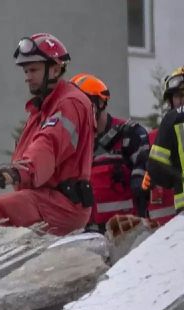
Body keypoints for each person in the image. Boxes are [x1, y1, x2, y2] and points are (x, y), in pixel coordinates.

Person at [0, 33, 95, 235]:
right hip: (46, 198)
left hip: (61, 205)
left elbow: (48, 145)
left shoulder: (69, 104)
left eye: (34, 69)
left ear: (55, 68)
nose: (28, 76)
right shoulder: (44, 108)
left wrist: (19, 172)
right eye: (26, 70)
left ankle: (10, 266)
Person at [69, 73, 151, 231]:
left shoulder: (130, 134)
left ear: (100, 102)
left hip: (128, 232)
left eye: (83, 104)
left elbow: (145, 181)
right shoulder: (72, 143)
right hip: (87, 235)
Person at [144, 67, 184, 223]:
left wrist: (177, 179)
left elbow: (155, 167)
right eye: (178, 96)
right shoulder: (154, 135)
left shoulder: (171, 119)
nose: (181, 101)